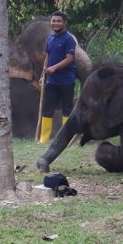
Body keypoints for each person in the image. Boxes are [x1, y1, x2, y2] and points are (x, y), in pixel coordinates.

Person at [38, 11, 78, 144]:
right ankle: (44, 139)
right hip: (52, 81)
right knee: (47, 109)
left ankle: (65, 139)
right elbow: (48, 58)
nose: (55, 23)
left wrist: (54, 68)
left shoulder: (69, 39)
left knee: (67, 109)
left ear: (65, 23)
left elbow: (70, 59)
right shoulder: (50, 39)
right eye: (53, 21)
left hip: (66, 80)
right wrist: (43, 75)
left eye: (58, 21)